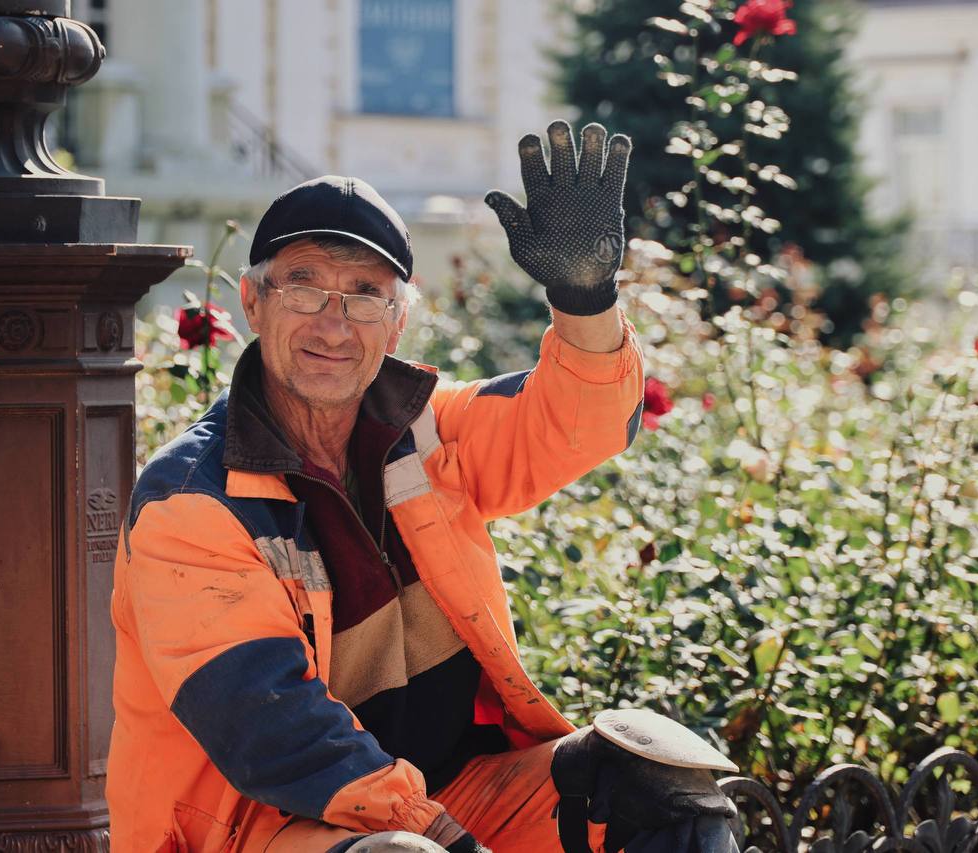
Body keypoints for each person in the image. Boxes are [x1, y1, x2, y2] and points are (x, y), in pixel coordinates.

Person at [107, 122, 739, 852]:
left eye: (365, 295)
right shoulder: (191, 501)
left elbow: (581, 421)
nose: (333, 323)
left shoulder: (428, 432)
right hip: (265, 823)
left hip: (450, 791)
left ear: (398, 322)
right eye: (304, 285)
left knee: (670, 801)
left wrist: (584, 294)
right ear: (253, 302)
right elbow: (279, 736)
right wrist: (439, 835)